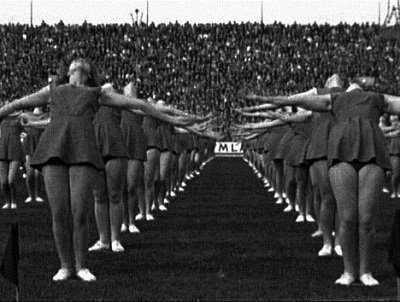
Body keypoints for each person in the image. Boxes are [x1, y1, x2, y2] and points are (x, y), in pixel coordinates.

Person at [0, 58, 191, 282]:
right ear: (68, 71)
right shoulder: (52, 90)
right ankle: (65, 266)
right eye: (74, 61)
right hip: (53, 148)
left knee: (80, 211)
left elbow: (140, 105)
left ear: (89, 73)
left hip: (83, 150)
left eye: (83, 62)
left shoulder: (98, 92)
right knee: (59, 212)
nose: (78, 62)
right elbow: (15, 104)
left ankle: (81, 266)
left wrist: (177, 119)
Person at [243, 79, 400, 286]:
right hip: (342, 149)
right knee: (347, 216)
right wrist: (269, 99)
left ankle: (365, 271)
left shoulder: (377, 98)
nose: (354, 85)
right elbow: (305, 101)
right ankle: (349, 271)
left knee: (367, 218)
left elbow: (394, 103)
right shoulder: (337, 99)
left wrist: (270, 99)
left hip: (371, 149)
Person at [0, 106, 24, 210]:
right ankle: (8, 202)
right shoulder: (2, 118)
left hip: (15, 150)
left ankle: (14, 201)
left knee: (11, 180)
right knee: (3, 182)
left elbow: (29, 126)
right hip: (3, 151)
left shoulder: (19, 118)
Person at [21, 107, 45, 204]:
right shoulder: (27, 115)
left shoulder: (44, 116)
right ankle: (31, 195)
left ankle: (37, 195)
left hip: (39, 143)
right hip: (29, 143)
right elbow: (22, 122)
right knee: (30, 172)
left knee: (37, 173)